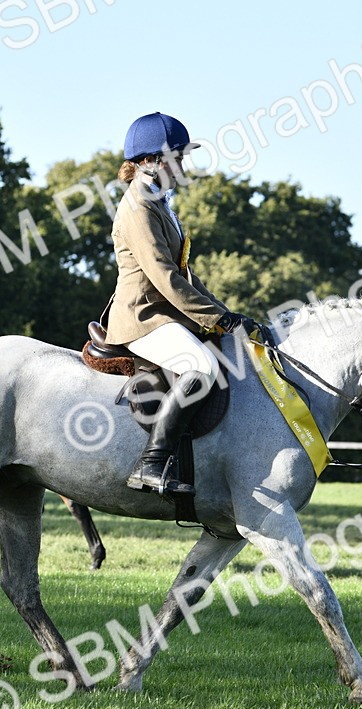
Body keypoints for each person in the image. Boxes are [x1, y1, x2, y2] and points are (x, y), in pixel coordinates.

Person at [104, 112, 262, 495]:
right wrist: (216, 318)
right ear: (151, 161)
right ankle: (151, 463)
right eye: (179, 157)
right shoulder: (139, 206)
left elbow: (185, 273)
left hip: (164, 313)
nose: (184, 165)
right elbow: (163, 276)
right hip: (142, 316)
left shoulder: (159, 201)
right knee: (202, 367)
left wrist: (226, 314)